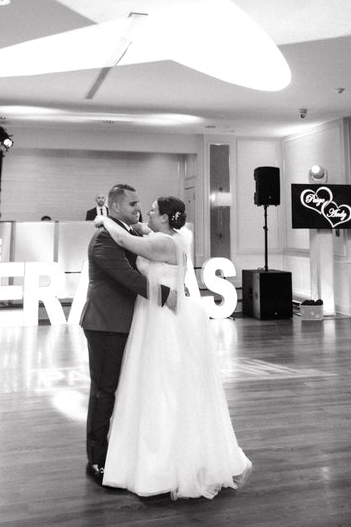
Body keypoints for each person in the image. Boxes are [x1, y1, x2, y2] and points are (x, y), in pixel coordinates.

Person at [101, 196, 252, 499]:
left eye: (154, 211)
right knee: (160, 383)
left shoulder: (164, 244)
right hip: (157, 313)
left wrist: (106, 216)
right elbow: (142, 229)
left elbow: (123, 238)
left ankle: (165, 464)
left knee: (163, 384)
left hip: (163, 320)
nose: (148, 214)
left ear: (166, 219)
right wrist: (134, 222)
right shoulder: (172, 237)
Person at [80, 184, 176, 486]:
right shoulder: (105, 238)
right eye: (133, 203)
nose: (138, 207)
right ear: (116, 206)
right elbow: (129, 277)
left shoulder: (128, 232)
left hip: (125, 323)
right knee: (103, 391)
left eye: (139, 203)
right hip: (106, 323)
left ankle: (121, 452)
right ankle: (96, 460)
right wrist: (168, 295)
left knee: (120, 390)